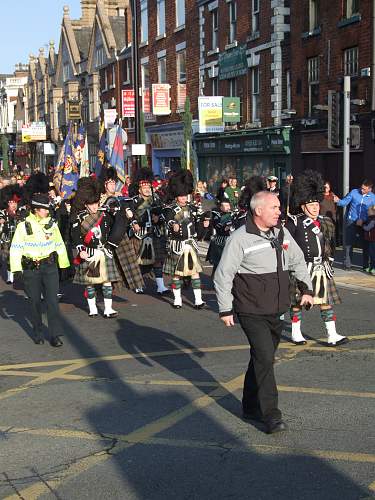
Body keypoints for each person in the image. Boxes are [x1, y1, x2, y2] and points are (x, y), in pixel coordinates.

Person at [214, 191, 313, 434]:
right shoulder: (239, 238)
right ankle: (271, 415)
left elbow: (298, 260)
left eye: (279, 207)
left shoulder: (281, 232)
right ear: (258, 210)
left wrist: (306, 288)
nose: (280, 211)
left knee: (261, 358)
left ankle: (249, 406)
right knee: (266, 358)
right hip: (251, 310)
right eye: (274, 207)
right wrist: (225, 308)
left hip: (277, 308)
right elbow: (223, 275)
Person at [286, 170, 348, 347]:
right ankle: (296, 333)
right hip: (302, 268)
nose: (314, 207)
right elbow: (286, 245)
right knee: (297, 303)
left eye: (316, 204)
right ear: (303, 206)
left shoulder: (325, 222)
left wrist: (329, 260)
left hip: (321, 267)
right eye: (310, 204)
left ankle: (332, 334)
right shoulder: (295, 222)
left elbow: (331, 244)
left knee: (325, 303)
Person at [9, 193, 70, 346]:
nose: (47, 212)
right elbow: (15, 249)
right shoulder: (24, 226)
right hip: (31, 268)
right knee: (35, 302)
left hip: (49, 267)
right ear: (36, 210)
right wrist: (16, 271)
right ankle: (37, 332)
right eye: (44, 209)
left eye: (48, 209)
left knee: (52, 301)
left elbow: (59, 245)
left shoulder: (52, 224)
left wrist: (64, 266)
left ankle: (55, 335)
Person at [71, 177, 121, 318]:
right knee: (90, 284)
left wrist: (119, 212)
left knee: (107, 282)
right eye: (91, 204)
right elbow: (75, 236)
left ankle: (108, 309)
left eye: (96, 203)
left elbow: (117, 224)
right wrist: (80, 250)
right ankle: (92, 308)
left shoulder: (105, 215)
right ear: (85, 203)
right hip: (89, 252)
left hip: (103, 252)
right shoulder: (79, 218)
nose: (94, 206)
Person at [163, 170, 207, 309]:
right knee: (177, 275)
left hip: (190, 244)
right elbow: (168, 221)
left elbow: (198, 225)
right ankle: (177, 299)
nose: (183, 198)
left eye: (185, 195)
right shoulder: (171, 209)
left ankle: (198, 300)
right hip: (177, 244)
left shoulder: (193, 208)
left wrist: (204, 224)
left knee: (195, 273)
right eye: (181, 195)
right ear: (176, 195)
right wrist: (173, 225)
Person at [128, 168, 169, 295]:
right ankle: (138, 285)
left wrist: (159, 218)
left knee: (157, 261)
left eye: (148, 186)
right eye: (144, 187)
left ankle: (160, 286)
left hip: (154, 233)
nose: (146, 189)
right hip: (140, 235)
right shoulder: (134, 201)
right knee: (138, 261)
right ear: (139, 188)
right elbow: (129, 216)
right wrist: (134, 223)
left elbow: (164, 215)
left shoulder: (156, 199)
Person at [335, 179, 375, 270]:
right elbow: (344, 202)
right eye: (361, 188)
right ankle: (347, 264)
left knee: (366, 244)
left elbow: (373, 211)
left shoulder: (373, 198)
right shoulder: (354, 192)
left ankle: (366, 265)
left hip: (364, 223)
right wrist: (338, 201)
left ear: (369, 189)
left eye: (364, 189)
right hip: (352, 221)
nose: (361, 190)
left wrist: (365, 220)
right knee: (349, 243)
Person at [0, 185, 26, 284]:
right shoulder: (3, 213)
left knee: (22, 256)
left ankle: (22, 273)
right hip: (7, 238)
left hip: (19, 238)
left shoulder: (21, 212)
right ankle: (10, 276)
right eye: (11, 203)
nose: (13, 205)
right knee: (8, 257)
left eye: (15, 202)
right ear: (7, 203)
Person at [206, 197, 234, 275]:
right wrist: (227, 225)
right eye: (225, 206)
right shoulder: (217, 215)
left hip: (231, 240)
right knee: (219, 262)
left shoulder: (233, 214)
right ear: (221, 207)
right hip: (220, 240)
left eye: (228, 205)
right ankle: (215, 280)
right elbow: (218, 227)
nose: (227, 207)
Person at [363, 205, 375, 275]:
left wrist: (362, 225)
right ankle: (371, 268)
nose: (367, 212)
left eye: (368, 211)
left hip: (372, 240)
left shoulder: (372, 220)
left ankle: (373, 268)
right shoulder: (371, 219)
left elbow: (367, 228)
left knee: (372, 255)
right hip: (372, 239)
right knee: (372, 254)